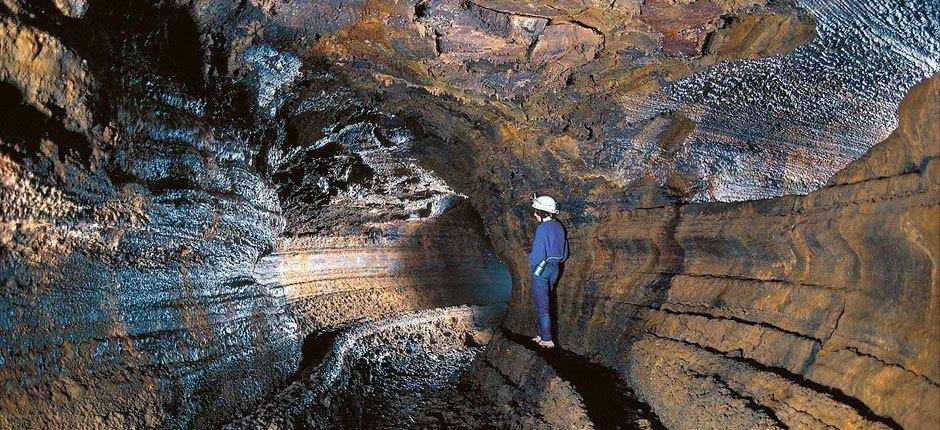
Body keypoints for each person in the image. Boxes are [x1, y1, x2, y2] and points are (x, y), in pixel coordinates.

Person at [528, 194, 568, 348]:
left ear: (541, 212)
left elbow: (538, 254)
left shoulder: (542, 229)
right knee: (543, 301)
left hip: (541, 268)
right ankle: (540, 335)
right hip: (555, 268)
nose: (534, 214)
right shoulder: (559, 226)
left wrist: (530, 259)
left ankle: (547, 340)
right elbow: (565, 253)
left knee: (542, 305)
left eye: (536, 211)